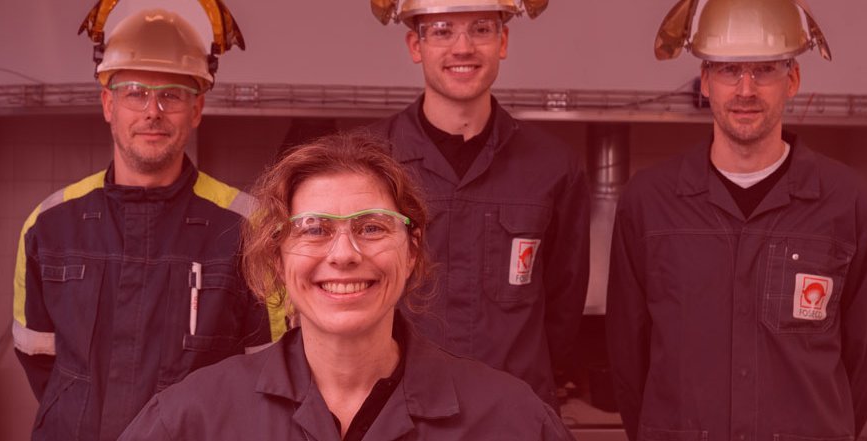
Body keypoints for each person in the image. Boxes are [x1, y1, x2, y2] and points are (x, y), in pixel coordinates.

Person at [117, 132, 572, 441]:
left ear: (411, 250)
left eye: (372, 228)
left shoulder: (510, 419)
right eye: (313, 228)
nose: (344, 253)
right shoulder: (192, 419)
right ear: (277, 258)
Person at [607, 0, 867, 439]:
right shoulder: (649, 204)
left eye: (764, 70)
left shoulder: (849, 204)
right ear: (704, 82)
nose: (745, 90)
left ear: (792, 79)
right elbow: (627, 359)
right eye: (727, 70)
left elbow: (864, 363)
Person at [12, 8, 274, 441]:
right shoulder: (49, 225)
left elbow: (271, 370)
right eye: (135, 93)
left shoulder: (248, 227)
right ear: (108, 104)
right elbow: (38, 359)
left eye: (172, 95)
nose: (153, 112)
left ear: (196, 109)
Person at [367, 0, 590, 409]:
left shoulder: (554, 168)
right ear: (415, 46)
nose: (463, 47)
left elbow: (563, 308)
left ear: (502, 41)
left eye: (482, 29)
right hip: (393, 417)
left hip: (514, 418)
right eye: (442, 30)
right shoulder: (367, 164)